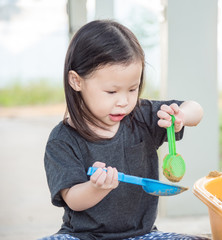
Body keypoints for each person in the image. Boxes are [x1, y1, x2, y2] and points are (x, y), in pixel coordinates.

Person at [40, 20, 206, 240]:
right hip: (82, 237)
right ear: (76, 81)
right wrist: (97, 187)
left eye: (132, 89)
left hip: (141, 235)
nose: (124, 102)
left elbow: (197, 109)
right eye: (111, 91)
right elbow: (73, 199)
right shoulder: (62, 140)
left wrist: (181, 116)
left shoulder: (142, 116)